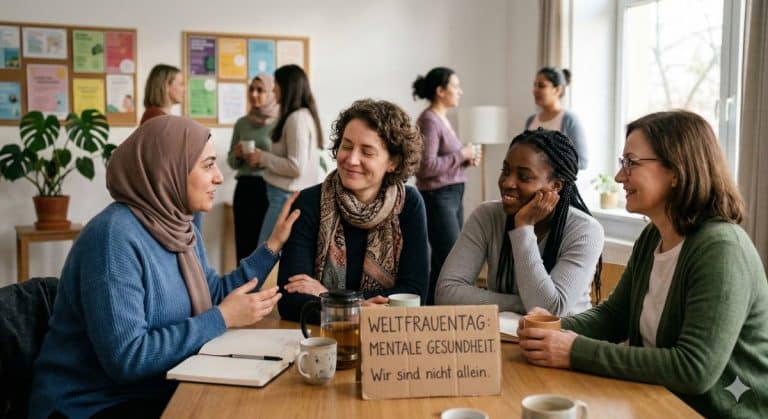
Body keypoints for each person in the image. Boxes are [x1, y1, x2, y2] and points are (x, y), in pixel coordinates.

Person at [28, 116, 301, 419]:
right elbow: (128, 358)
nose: (219, 177)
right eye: (207, 165)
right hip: (88, 404)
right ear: (168, 170)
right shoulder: (113, 238)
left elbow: (213, 294)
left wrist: (272, 246)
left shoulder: (180, 227)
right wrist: (221, 318)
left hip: (153, 389)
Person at [517, 111, 768, 417]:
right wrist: (553, 329)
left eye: (631, 163)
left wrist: (573, 351)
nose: (620, 176)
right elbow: (614, 317)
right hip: (657, 404)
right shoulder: (653, 235)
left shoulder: (722, 250)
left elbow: (694, 369)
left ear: (676, 170)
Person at [277, 99, 428, 323]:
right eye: (346, 146)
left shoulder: (409, 203)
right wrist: (361, 310)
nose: (351, 159)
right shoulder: (308, 202)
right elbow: (291, 299)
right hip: (322, 338)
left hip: (386, 344)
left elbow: (413, 296)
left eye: (367, 152)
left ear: (393, 162)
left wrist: (328, 298)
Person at [436, 129, 604, 315]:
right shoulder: (487, 216)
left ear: (555, 186)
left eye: (524, 177)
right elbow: (446, 292)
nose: (507, 183)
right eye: (505, 171)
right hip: (505, 338)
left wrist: (523, 227)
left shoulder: (585, 230)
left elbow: (551, 311)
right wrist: (524, 303)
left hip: (564, 338)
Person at [412, 66, 480, 305]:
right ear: (440, 91)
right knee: (452, 260)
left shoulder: (442, 119)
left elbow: (443, 164)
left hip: (451, 195)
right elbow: (425, 167)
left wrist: (465, 161)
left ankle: (432, 312)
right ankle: (437, 312)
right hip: (438, 197)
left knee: (444, 261)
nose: (460, 92)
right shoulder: (429, 120)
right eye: (455, 86)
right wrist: (462, 154)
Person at [247, 64, 322, 247]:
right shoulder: (301, 116)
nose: (273, 90)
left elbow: (296, 167)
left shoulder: (296, 119)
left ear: (287, 87)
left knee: (264, 252)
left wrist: (262, 157)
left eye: (276, 85)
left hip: (284, 197)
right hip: (283, 195)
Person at [227, 73, 279, 262]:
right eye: (251, 89)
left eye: (260, 90)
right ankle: (243, 289)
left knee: (266, 246)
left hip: (269, 188)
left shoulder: (279, 122)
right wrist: (238, 155)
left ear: (271, 93)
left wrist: (262, 158)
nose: (254, 94)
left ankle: (264, 289)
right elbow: (231, 161)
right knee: (244, 244)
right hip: (245, 187)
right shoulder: (242, 123)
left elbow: (284, 160)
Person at [525, 67, 588, 170]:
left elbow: (582, 162)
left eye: (541, 86)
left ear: (558, 89)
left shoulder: (569, 120)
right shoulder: (531, 120)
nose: (535, 90)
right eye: (534, 85)